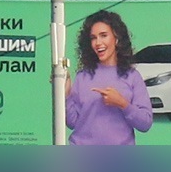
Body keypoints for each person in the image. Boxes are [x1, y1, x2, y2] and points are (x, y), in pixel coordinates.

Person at [64, 9, 152, 146]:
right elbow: (72, 122)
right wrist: (66, 94)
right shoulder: (83, 76)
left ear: (116, 38)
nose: (98, 43)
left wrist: (122, 103)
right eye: (93, 38)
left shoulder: (132, 76)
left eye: (103, 35)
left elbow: (145, 123)